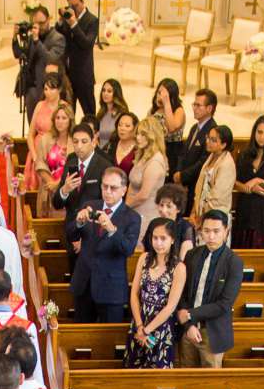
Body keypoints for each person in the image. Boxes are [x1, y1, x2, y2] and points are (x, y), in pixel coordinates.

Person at [69, 166, 139, 326]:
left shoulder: (132, 217)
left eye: (113, 188)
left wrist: (112, 230)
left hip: (110, 289)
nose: (107, 191)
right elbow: (70, 236)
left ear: (124, 190)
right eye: (104, 186)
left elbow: (128, 249)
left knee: (107, 341)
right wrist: (78, 223)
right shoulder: (90, 205)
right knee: (81, 341)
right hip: (84, 284)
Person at [174, 208, 243, 368]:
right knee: (186, 381)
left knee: (210, 385)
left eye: (216, 231)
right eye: (206, 231)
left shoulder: (234, 262)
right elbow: (182, 293)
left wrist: (190, 314)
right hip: (188, 331)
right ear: (200, 231)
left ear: (226, 231)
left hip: (212, 333)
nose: (211, 236)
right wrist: (189, 325)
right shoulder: (192, 255)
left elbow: (224, 304)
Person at [126, 216, 185, 369]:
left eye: (163, 238)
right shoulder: (144, 258)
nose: (158, 243)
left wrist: (147, 330)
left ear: (172, 240)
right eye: (155, 238)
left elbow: (170, 307)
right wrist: (139, 326)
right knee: (132, 370)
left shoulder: (179, 268)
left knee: (158, 375)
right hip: (139, 322)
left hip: (161, 328)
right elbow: (134, 294)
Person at [232, 113, 264, 250]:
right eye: (259, 132)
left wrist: (258, 180)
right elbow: (235, 183)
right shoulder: (244, 155)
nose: (262, 137)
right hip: (245, 210)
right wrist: (249, 188)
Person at [57, 0, 99, 124]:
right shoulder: (68, 19)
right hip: (68, 75)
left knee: (89, 112)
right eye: (71, 6)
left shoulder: (92, 20)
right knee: (68, 114)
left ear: (82, 2)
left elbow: (86, 44)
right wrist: (60, 20)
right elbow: (59, 34)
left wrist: (74, 24)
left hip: (83, 75)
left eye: (76, 5)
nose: (74, 8)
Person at [124, 113, 168, 232]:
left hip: (145, 217)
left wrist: (123, 208)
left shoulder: (155, 161)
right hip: (133, 212)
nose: (138, 137)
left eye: (143, 134)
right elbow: (132, 185)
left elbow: (143, 195)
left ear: (152, 136)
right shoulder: (143, 155)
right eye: (137, 133)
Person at [174, 88, 217, 205]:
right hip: (183, 184)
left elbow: (203, 162)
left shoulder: (212, 131)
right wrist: (178, 173)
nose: (194, 108)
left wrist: (183, 176)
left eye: (198, 105)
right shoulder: (194, 128)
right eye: (194, 104)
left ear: (209, 108)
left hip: (195, 186)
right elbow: (183, 153)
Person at [189, 122, 236, 228]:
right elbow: (200, 189)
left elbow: (217, 199)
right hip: (201, 215)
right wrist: (193, 212)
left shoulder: (227, 164)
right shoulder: (211, 156)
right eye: (208, 138)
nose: (208, 142)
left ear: (223, 145)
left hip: (216, 218)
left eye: (213, 140)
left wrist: (202, 219)